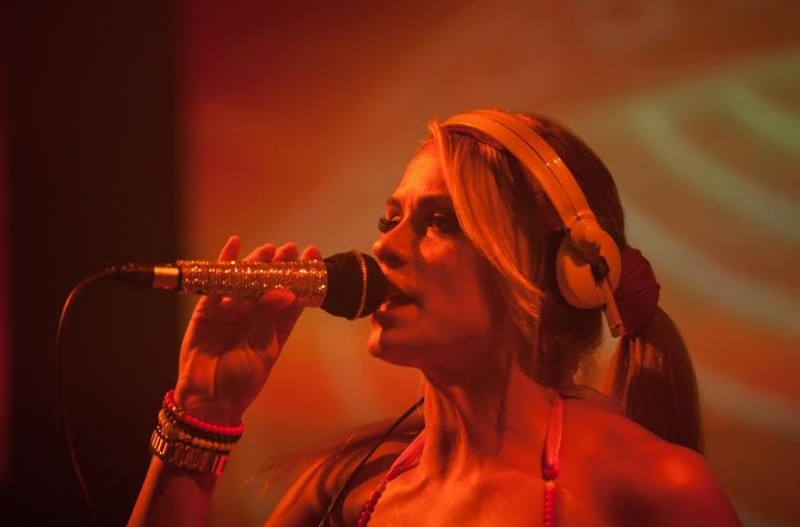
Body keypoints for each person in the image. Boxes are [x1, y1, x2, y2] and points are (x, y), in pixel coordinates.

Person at [128, 109, 741, 526]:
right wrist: (204, 412)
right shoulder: (346, 489)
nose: (386, 246)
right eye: (390, 219)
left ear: (558, 270)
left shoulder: (655, 490)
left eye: (441, 222)